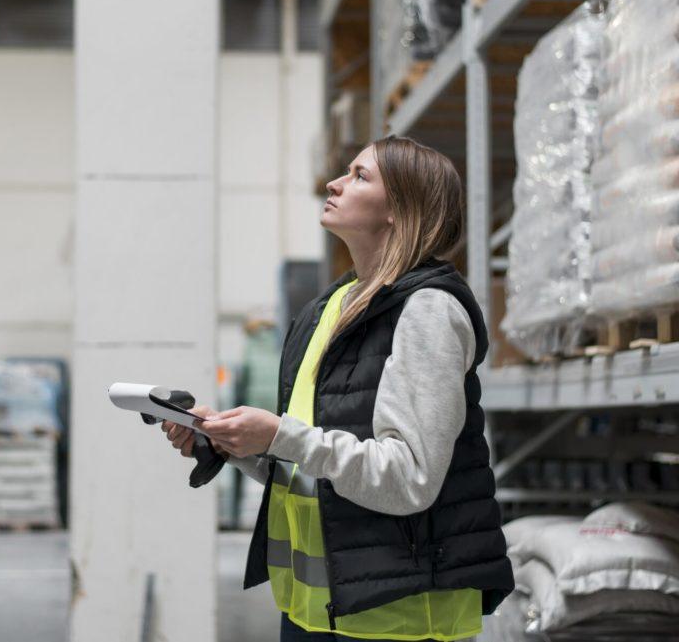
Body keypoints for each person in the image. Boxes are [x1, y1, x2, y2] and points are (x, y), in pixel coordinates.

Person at [162, 136, 514, 642]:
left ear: (400, 210)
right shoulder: (330, 309)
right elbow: (315, 468)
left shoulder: (428, 312)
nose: (334, 182)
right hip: (316, 608)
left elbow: (409, 478)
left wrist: (281, 435)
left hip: (399, 617)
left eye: (360, 176)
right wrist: (227, 440)